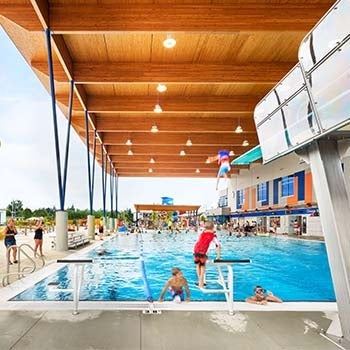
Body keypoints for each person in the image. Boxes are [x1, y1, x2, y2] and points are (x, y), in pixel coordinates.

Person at [193, 221, 221, 288]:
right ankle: (201, 282)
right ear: (213, 227)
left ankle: (199, 280)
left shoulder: (202, 233)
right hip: (203, 252)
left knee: (198, 265)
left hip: (196, 249)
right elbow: (218, 245)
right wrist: (218, 256)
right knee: (202, 267)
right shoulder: (213, 236)